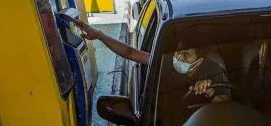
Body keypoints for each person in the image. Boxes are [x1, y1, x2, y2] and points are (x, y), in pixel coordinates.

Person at [75, 19, 228, 99]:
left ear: (199, 60)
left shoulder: (213, 70)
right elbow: (129, 52)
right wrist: (99, 35)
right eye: (177, 52)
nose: (179, 58)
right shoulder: (167, 62)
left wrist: (210, 93)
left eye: (186, 55)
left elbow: (225, 106)